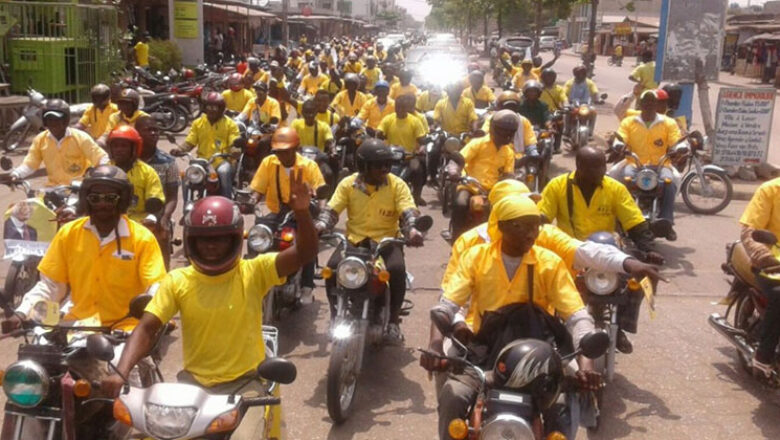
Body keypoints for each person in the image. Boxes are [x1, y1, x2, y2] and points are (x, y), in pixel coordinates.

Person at [101, 187, 318, 440]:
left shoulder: (254, 271)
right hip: (193, 386)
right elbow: (148, 327)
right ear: (192, 240)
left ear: (234, 238)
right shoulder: (177, 280)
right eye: (204, 239)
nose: (211, 246)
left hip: (245, 385)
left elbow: (305, 253)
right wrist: (120, 371)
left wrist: (302, 214)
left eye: (220, 238)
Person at [423, 195, 600, 440]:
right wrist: (434, 346)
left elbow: (577, 317)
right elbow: (447, 306)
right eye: (521, 226)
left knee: (564, 405)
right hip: (484, 349)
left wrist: (587, 364)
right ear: (502, 226)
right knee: (453, 393)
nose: (531, 233)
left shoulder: (550, 263)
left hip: (540, 354)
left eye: (535, 226)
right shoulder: (475, 256)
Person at [441, 179, 661, 357]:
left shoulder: (545, 239)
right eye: (520, 215)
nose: (530, 229)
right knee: (450, 374)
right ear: (501, 214)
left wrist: (629, 263)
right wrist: (459, 326)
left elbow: (586, 253)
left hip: (537, 332)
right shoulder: (469, 244)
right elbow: (452, 297)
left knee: (575, 385)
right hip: (475, 332)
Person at [5, 165, 166, 333]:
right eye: (95, 198)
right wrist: (21, 313)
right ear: (85, 200)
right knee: (35, 354)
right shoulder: (68, 233)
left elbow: (155, 286)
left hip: (125, 328)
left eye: (110, 198)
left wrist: (149, 312)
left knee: (120, 360)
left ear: (123, 200)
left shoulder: (142, 238)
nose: (102, 204)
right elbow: (51, 286)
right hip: (78, 325)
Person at [315, 140, 425, 342]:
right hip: (354, 241)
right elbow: (331, 210)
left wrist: (413, 230)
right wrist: (320, 226)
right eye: (379, 165)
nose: (385, 169)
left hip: (386, 242)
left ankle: (392, 322)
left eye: (387, 164)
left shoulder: (396, 184)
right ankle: (334, 316)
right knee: (331, 269)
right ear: (363, 166)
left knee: (397, 270)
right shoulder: (348, 184)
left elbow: (408, 210)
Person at [250, 128, 327, 302]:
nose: (281, 155)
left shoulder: (309, 165)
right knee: (256, 235)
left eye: (285, 151)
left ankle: (307, 284)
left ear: (295, 148)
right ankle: (253, 277)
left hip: (299, 211)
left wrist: (319, 209)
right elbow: (257, 189)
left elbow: (319, 190)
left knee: (306, 240)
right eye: (278, 151)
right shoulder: (269, 162)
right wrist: (251, 200)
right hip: (275, 210)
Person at [540, 147, 660, 256]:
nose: (601, 171)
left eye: (603, 166)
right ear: (579, 166)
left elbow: (634, 222)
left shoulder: (616, 188)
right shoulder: (556, 186)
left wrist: (649, 250)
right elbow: (542, 221)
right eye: (594, 167)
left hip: (605, 253)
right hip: (568, 252)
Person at [613, 91, 682, 240]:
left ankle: (667, 222)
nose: (649, 105)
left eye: (652, 102)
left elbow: (676, 140)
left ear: (657, 105)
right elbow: (620, 137)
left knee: (670, 182)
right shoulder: (629, 122)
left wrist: (679, 148)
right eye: (646, 102)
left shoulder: (668, 122)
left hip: (661, 164)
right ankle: (619, 217)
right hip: (634, 162)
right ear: (640, 104)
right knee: (623, 180)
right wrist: (618, 145)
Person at [0, 99, 108, 186]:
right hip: (52, 190)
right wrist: (16, 174)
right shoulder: (40, 140)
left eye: (57, 119)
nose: (53, 123)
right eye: (49, 120)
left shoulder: (80, 137)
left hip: (78, 190)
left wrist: (97, 175)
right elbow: (30, 165)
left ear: (65, 120)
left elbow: (102, 158)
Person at [447, 110, 517, 240]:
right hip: (470, 187)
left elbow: (509, 174)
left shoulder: (509, 152)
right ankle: (456, 239)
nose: (506, 135)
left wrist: (510, 183)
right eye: (503, 130)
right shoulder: (478, 143)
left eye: (509, 131)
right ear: (493, 128)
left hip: (493, 192)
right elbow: (459, 159)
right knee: (460, 204)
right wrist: (454, 170)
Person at [739, 176, 780, 377]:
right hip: (772, 265)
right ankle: (764, 355)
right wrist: (764, 256)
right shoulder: (770, 190)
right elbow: (750, 231)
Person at [172, 92, 240, 199]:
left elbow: (234, 140)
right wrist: (179, 149)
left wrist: (235, 150)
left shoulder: (230, 124)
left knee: (224, 172)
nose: (211, 109)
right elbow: (190, 141)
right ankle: (187, 208)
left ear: (221, 108)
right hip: (202, 161)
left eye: (215, 107)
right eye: (209, 106)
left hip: (221, 161)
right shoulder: (198, 123)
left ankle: (228, 201)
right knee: (186, 175)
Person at [136, 116, 179, 270]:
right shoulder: (128, 160)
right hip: (131, 214)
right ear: (137, 134)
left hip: (158, 215)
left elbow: (173, 197)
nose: (154, 133)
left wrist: (165, 217)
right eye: (148, 130)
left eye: (156, 130)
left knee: (163, 234)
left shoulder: (168, 162)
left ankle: (164, 274)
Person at [106, 125, 165, 229]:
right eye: (115, 146)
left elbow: (155, 200)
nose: (119, 150)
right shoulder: (104, 170)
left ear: (134, 148)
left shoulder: (147, 172)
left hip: (140, 224)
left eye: (124, 146)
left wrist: (152, 216)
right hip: (108, 221)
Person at [377, 94, 427, 205]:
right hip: (390, 155)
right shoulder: (388, 119)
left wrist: (421, 147)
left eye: (402, 107)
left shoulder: (415, 121)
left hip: (409, 156)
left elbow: (421, 138)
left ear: (406, 108)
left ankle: (416, 197)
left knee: (418, 170)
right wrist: (379, 134)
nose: (399, 109)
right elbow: (380, 131)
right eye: (397, 107)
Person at [482, 91, 538, 159]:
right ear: (500, 107)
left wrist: (533, 151)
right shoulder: (492, 119)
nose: (510, 109)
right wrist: (481, 134)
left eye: (512, 107)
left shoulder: (523, 121)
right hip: (496, 155)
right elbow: (485, 132)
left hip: (518, 158)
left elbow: (530, 138)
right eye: (507, 107)